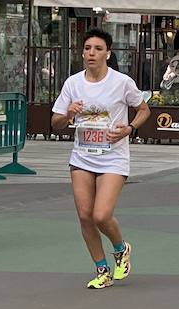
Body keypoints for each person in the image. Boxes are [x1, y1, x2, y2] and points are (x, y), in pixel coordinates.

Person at [51, 28, 150, 290]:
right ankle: (102, 269)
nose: (91, 53)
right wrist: (68, 113)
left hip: (113, 158)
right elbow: (56, 123)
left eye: (97, 49)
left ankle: (121, 248)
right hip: (82, 157)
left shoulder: (121, 82)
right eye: (87, 48)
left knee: (101, 215)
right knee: (85, 216)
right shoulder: (73, 83)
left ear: (108, 53)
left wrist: (129, 129)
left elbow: (143, 109)